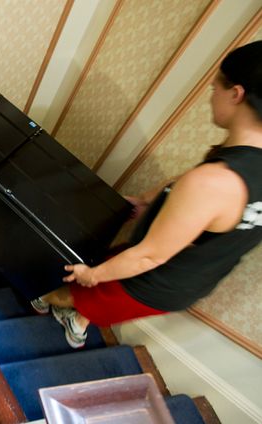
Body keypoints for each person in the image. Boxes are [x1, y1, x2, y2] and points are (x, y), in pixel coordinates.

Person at [31, 40, 262, 348]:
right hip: (189, 281)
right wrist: (146, 200)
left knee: (70, 292)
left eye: (215, 88)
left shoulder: (214, 182)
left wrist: (94, 274)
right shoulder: (240, 165)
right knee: (102, 299)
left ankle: (52, 304)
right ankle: (78, 316)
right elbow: (190, 192)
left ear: (236, 94)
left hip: (151, 278)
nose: (211, 97)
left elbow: (149, 255)